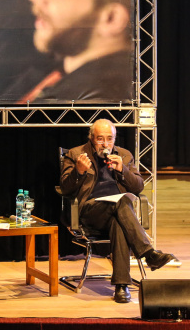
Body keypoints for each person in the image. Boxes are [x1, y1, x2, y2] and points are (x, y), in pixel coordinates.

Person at [58, 119, 177, 303]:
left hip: (119, 214)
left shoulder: (124, 155)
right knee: (122, 203)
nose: (105, 144)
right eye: (100, 139)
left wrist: (122, 170)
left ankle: (121, 287)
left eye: (109, 139)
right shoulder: (76, 154)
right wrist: (78, 172)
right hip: (90, 211)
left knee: (119, 222)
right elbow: (65, 189)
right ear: (91, 138)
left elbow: (138, 187)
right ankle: (148, 253)